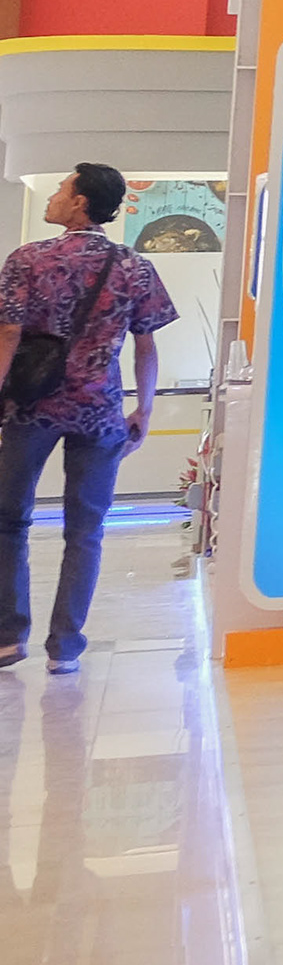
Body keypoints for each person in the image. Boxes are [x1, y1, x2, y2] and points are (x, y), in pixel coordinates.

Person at [0, 163, 172, 673]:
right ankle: (65, 647)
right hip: (99, 411)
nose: (52, 196)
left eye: (60, 189)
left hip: (31, 407)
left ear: (79, 202)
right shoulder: (134, 266)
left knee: (9, 519)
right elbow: (146, 344)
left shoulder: (28, 259)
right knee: (86, 529)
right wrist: (144, 408)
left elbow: (8, 335)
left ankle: (8, 637)